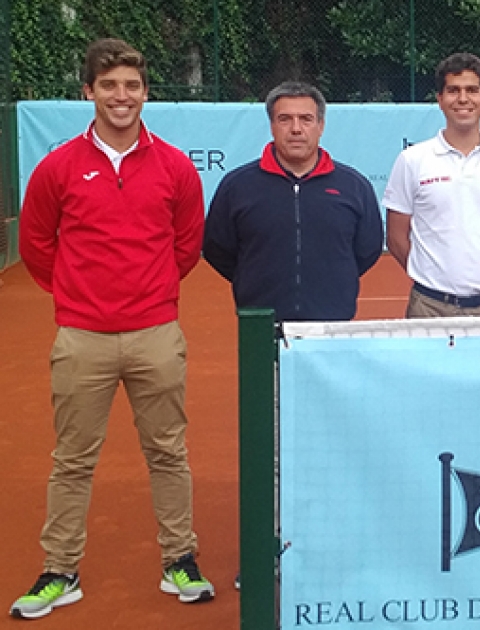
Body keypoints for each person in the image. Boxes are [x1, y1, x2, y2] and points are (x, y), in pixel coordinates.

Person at [11, 39, 214, 620]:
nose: (121, 97)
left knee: (168, 453)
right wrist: (84, 297)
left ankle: (180, 559)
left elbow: (185, 246)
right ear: (89, 93)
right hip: (81, 338)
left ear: (145, 93)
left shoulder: (174, 165)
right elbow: (37, 247)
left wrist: (143, 296)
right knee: (72, 459)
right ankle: (60, 569)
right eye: (109, 86)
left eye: (131, 86)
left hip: (156, 333)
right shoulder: (58, 167)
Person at [204, 81, 383, 323]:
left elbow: (367, 249)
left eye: (306, 119)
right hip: (260, 321)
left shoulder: (353, 186)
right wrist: (252, 279)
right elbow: (218, 249)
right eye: (285, 119)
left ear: (321, 126)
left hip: (333, 321)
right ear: (272, 126)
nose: (296, 129)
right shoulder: (237, 186)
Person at [384, 52, 480, 318]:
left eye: (472, 90)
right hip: (429, 307)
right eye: (453, 90)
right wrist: (430, 276)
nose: (463, 99)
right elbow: (395, 236)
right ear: (440, 99)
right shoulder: (412, 160)